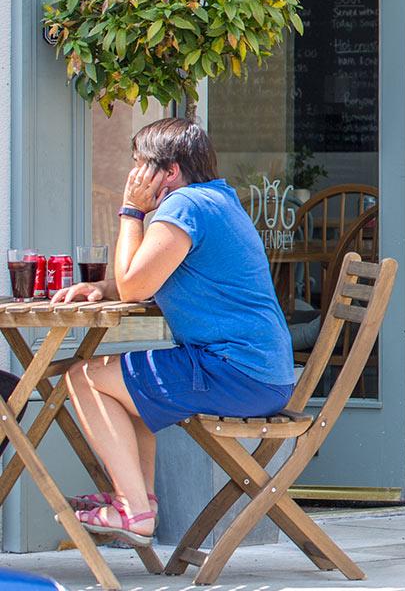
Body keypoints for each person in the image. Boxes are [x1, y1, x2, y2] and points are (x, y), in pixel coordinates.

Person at [51, 119, 296, 547]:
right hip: (257, 374)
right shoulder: (217, 199)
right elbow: (151, 276)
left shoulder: (185, 206)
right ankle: (138, 500)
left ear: (170, 171)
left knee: (82, 377)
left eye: (139, 164)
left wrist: (131, 211)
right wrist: (101, 288)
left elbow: (135, 287)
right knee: (125, 387)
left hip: (234, 372)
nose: (133, 176)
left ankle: (134, 511)